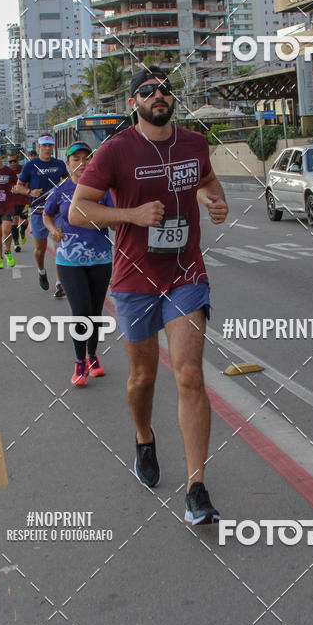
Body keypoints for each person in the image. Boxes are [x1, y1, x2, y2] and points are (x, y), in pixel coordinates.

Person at [70, 65, 228, 525]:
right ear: (133, 103)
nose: (158, 95)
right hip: (135, 280)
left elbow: (206, 182)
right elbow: (80, 210)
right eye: (147, 91)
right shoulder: (116, 149)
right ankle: (143, 436)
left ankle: (196, 488)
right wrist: (133, 215)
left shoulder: (194, 143)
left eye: (164, 89)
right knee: (143, 379)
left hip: (186, 273)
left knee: (190, 375)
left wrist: (216, 202)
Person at [43, 142, 112, 385]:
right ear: (68, 164)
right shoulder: (61, 190)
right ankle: (79, 362)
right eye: (76, 159)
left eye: (87, 158)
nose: (82, 163)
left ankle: (93, 357)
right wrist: (52, 230)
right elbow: (47, 213)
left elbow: (116, 219)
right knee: (81, 310)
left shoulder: (103, 191)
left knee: (94, 311)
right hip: (69, 260)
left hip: (101, 258)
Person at [15, 134, 67, 291]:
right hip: (38, 212)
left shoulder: (59, 164)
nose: (47, 148)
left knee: (59, 244)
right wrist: (30, 192)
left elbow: (67, 181)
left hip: (56, 211)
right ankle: (41, 271)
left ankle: (59, 283)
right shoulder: (30, 165)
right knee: (40, 250)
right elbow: (19, 187)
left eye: (50, 145)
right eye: (44, 146)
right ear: (38, 148)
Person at [6, 150, 28, 253]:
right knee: (14, 221)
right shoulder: (7, 172)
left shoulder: (24, 169)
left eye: (14, 161)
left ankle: (22, 231)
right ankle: (16, 243)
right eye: (10, 161)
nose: (13, 163)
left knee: (24, 221)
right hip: (12, 201)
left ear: (18, 160)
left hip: (24, 200)